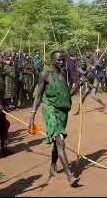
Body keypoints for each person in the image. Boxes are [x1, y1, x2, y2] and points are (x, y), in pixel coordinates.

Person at [28, 50, 79, 186]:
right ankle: (70, 176)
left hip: (63, 112)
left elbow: (67, 95)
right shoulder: (45, 74)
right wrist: (32, 115)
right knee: (60, 141)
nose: (61, 62)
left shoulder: (63, 75)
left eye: (63, 59)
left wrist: (78, 85)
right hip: (51, 110)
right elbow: (38, 96)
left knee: (58, 141)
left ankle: (52, 167)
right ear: (52, 60)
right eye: (58, 60)